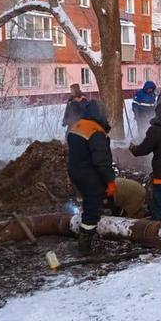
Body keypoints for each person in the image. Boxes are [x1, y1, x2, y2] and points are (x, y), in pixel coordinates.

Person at [67, 99, 116, 253]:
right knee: (92, 206)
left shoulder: (77, 126)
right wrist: (110, 181)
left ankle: (104, 213)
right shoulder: (96, 132)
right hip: (89, 174)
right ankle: (85, 243)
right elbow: (101, 161)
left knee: (92, 198)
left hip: (75, 170)